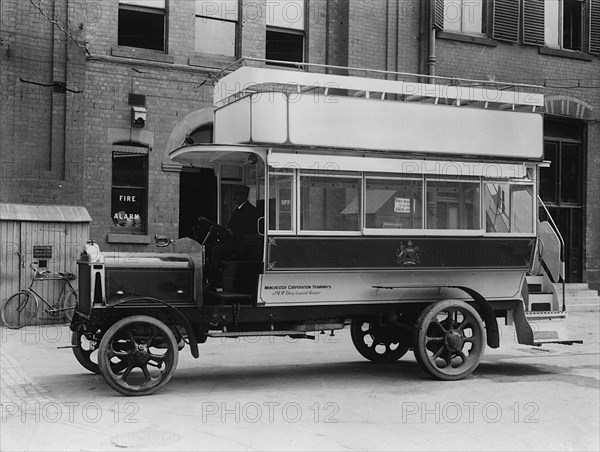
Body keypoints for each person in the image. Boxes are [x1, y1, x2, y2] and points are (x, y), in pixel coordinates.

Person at [208, 185, 259, 289]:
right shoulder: (238, 210)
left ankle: (216, 282)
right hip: (234, 242)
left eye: (237, 195)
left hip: (242, 244)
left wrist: (232, 233)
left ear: (244, 195)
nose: (234, 198)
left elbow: (248, 230)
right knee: (209, 247)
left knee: (216, 250)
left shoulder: (250, 211)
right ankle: (210, 278)